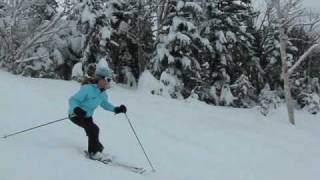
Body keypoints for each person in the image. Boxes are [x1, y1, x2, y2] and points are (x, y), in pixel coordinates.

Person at [68, 67, 127, 160]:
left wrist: (117, 109)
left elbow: (105, 104)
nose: (108, 82)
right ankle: (93, 153)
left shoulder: (102, 93)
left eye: (109, 80)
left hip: (87, 116)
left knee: (93, 130)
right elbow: (73, 100)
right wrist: (76, 109)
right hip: (76, 115)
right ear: (99, 78)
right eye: (106, 79)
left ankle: (98, 148)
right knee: (94, 129)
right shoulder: (87, 89)